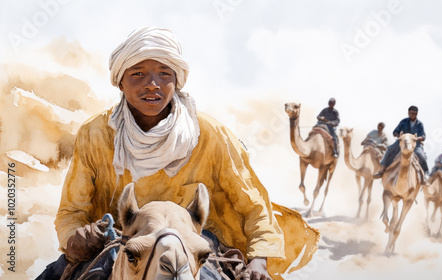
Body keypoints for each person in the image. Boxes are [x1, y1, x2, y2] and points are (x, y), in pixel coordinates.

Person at [36, 27, 317, 280]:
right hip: (123, 243)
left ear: (177, 80)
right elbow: (72, 211)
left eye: (164, 73)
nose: (152, 84)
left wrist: (258, 261)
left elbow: (253, 204)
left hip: (195, 246)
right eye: (138, 73)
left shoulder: (209, 133)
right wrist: (76, 238)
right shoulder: (95, 133)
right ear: (120, 82)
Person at [373, 105, 428, 181]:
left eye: (415, 113)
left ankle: (425, 175)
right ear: (408, 113)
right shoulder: (404, 121)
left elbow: (423, 136)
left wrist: (417, 138)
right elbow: (395, 131)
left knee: (421, 155)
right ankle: (382, 170)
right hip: (402, 142)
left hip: (414, 144)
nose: (413, 115)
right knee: (390, 149)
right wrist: (399, 136)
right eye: (412, 113)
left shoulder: (419, 124)